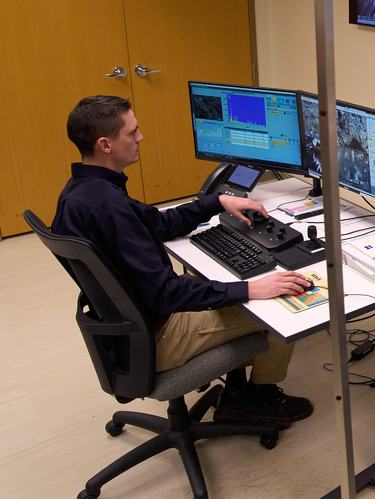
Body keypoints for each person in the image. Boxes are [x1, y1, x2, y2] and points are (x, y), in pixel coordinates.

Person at [51, 95, 313, 429]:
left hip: (129, 323)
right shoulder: (110, 208)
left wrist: (216, 201)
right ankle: (254, 400)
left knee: (215, 281)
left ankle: (238, 387)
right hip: (159, 334)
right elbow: (167, 295)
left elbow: (158, 224)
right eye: (132, 133)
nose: (140, 138)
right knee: (280, 304)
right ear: (105, 144)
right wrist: (251, 288)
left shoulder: (82, 191)